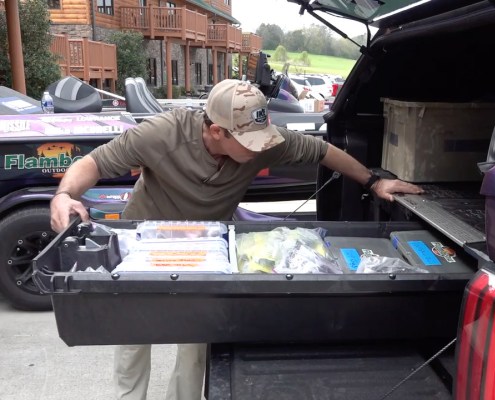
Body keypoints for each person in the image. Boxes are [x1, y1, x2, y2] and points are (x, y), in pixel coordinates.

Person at [50, 79, 423, 400]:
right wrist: (65, 195)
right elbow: (94, 163)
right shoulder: (161, 134)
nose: (260, 147)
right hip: (146, 245)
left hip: (206, 251)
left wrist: (374, 182)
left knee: (195, 345)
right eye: (249, 140)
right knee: (133, 337)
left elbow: (323, 151)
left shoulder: (263, 141)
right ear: (216, 131)